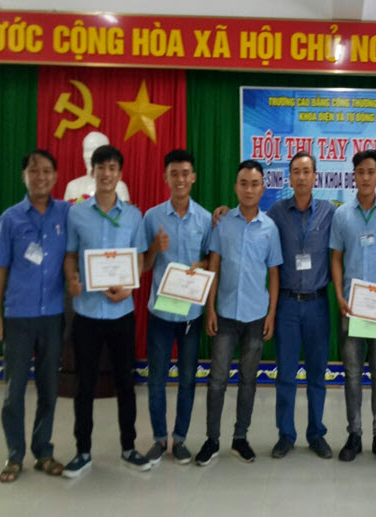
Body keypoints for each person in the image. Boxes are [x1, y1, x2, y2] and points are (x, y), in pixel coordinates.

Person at [62, 145, 149, 477]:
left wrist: (129, 288)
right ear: (93, 172)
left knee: (125, 384)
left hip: (121, 313)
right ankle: (82, 451)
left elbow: (138, 258)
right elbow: (71, 255)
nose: (107, 174)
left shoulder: (133, 215)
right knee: (84, 385)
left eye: (113, 168)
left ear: (120, 174)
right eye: (101, 167)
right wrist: (72, 277)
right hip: (86, 312)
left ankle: (129, 447)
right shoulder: (77, 213)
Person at [195, 159, 282, 466]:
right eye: (243, 183)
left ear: (262, 189)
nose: (249, 189)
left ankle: (240, 437)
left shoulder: (270, 228)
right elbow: (214, 266)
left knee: (248, 379)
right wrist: (210, 308)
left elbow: (274, 274)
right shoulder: (222, 223)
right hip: (225, 314)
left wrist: (271, 314)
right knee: (217, 379)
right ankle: (211, 439)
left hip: (256, 316)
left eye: (255, 184)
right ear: (236, 187)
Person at [0, 149, 69, 482]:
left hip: (53, 315)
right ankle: (14, 455)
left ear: (55, 176)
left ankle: (43, 451)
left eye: (47, 171)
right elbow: (0, 268)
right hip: (18, 316)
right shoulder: (10, 218)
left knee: (49, 388)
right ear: (24, 176)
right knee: (15, 390)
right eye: (34, 171)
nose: (41, 177)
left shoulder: (66, 213)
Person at [329, 149, 376, 463]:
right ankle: (354, 434)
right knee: (352, 373)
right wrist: (339, 296)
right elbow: (335, 258)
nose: (366, 177)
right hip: (352, 307)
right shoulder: (342, 215)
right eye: (361, 172)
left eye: (371, 172)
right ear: (353, 176)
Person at [141, 149, 211, 466]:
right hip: (160, 313)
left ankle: (180, 438)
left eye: (185, 173)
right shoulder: (152, 217)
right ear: (165, 178)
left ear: (193, 177)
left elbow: (211, 260)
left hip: (191, 315)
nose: (180, 179)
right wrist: (154, 249)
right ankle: (159, 438)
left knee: (187, 379)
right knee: (156, 378)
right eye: (174, 174)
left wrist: (203, 264)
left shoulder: (206, 219)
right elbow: (143, 266)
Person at [266, 152, 336, 459]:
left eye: (307, 171)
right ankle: (286, 434)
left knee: (317, 374)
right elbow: (254, 224)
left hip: (318, 304)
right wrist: (224, 212)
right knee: (286, 374)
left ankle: (316, 433)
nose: (302, 177)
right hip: (287, 305)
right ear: (290, 178)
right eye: (296, 171)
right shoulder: (277, 213)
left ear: (315, 176)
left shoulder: (330, 212)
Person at [63, 131, 131, 204]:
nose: (90, 156)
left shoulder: (119, 186)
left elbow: (124, 210)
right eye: (87, 150)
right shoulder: (73, 186)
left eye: (96, 150)